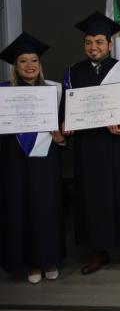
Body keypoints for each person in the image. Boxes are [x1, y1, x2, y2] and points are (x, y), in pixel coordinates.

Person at [62, 12, 120, 274]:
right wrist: (66, 124)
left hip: (117, 145)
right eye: (89, 42)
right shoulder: (73, 73)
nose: (93, 47)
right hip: (88, 147)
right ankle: (97, 251)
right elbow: (67, 108)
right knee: (91, 197)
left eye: (99, 42)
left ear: (110, 44)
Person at [0, 33, 65, 284]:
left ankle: (49, 259)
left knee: (46, 208)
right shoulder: (4, 93)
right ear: (15, 66)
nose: (29, 66)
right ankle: (31, 263)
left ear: (40, 64)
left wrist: (60, 137)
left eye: (34, 61)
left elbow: (62, 134)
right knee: (20, 208)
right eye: (23, 61)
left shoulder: (54, 90)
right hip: (15, 160)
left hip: (44, 159)